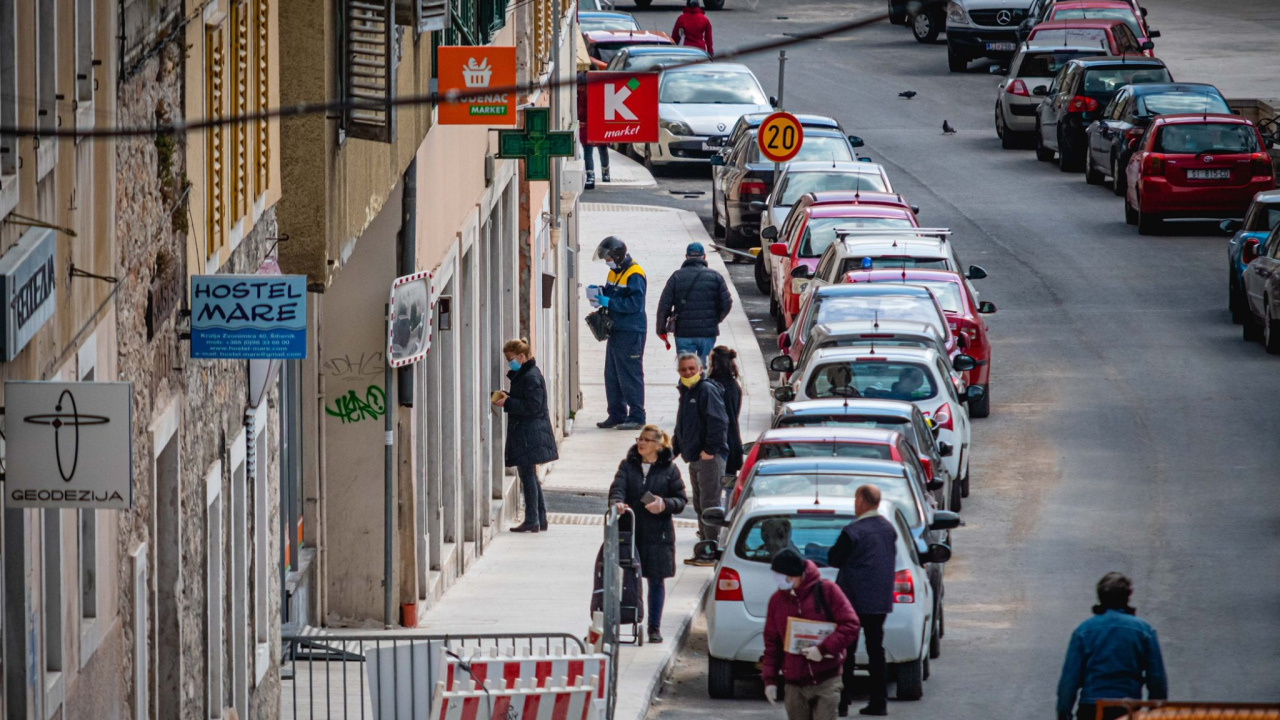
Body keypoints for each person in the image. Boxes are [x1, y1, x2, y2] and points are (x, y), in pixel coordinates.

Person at [608, 425, 688, 644]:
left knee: (656, 581)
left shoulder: (669, 470)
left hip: (658, 535)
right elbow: (618, 487)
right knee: (628, 579)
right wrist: (617, 503)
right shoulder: (628, 465)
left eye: (646, 440)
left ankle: (654, 627)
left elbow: (681, 500)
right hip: (630, 531)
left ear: (658, 445)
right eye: (639, 439)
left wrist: (664, 504)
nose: (640, 443)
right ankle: (626, 620)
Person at [762, 549, 861, 720]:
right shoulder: (777, 601)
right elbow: (772, 643)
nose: (776, 580)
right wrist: (769, 680)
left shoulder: (827, 590)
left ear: (792, 576)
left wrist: (823, 649)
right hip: (794, 682)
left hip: (827, 678)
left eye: (779, 575)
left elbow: (851, 624)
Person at [1057, 573, 1168, 720]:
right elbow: (1156, 678)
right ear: (1127, 596)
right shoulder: (1144, 630)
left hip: (1091, 709)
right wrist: (1155, 713)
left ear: (1100, 596)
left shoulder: (1084, 631)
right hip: (1128, 709)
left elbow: (1069, 681)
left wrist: (1064, 715)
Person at [827, 485, 897, 716]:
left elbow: (834, 558)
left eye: (856, 499)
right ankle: (879, 701)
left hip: (852, 600)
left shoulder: (853, 531)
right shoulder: (888, 529)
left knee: (847, 650)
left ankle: (843, 701)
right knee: (876, 649)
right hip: (879, 601)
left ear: (861, 502)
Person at [493, 339, 559, 533]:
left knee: (528, 477)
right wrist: (508, 398)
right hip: (528, 433)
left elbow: (532, 406)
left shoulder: (530, 377)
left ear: (522, 356)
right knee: (530, 476)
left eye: (510, 359)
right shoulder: (525, 374)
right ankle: (539, 517)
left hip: (530, 435)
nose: (509, 363)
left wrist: (508, 403)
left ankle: (533, 519)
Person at [671, 352, 729, 564]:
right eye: (683, 370)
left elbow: (719, 421)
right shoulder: (686, 392)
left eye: (691, 369)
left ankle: (711, 550)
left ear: (700, 369)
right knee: (700, 504)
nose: (687, 373)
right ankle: (705, 544)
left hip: (709, 459)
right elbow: (682, 426)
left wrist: (710, 450)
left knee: (709, 503)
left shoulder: (705, 390)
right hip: (695, 457)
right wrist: (674, 450)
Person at [590, 237, 647, 430]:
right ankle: (616, 414)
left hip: (630, 331)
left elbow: (635, 304)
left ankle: (637, 416)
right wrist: (599, 293)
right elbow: (612, 292)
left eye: (608, 258)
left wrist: (610, 303)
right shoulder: (614, 273)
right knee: (612, 374)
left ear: (618, 256)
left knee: (630, 374)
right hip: (616, 329)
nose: (607, 262)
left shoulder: (635, 274)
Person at [655, 242, 733, 367]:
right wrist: (715, 319)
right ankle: (704, 386)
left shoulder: (676, 277)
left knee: (687, 369)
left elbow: (664, 305)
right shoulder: (715, 276)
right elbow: (727, 303)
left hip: (683, 332)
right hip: (707, 333)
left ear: (686, 257)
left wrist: (661, 329)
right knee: (705, 369)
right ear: (704, 257)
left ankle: (687, 387)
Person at [707, 345, 742, 506]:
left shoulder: (710, 387)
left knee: (712, 489)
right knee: (729, 487)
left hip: (716, 444)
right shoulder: (735, 386)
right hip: (733, 439)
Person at [576, 72, 610, 190]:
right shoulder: (599, 90)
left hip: (586, 124)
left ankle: (591, 177)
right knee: (602, 149)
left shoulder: (577, 93)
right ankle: (605, 173)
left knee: (588, 152)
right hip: (597, 124)